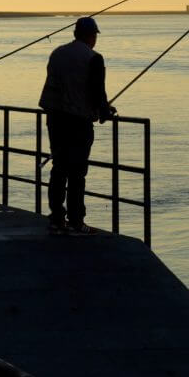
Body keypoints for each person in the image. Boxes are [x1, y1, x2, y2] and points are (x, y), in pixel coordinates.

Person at [38, 17, 116, 236]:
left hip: (55, 119)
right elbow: (97, 92)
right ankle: (76, 220)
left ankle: (56, 219)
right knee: (77, 172)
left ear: (75, 33)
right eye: (95, 36)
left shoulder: (57, 53)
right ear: (91, 36)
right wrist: (105, 111)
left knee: (59, 168)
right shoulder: (94, 58)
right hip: (78, 122)